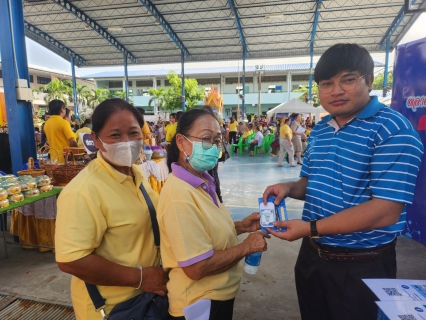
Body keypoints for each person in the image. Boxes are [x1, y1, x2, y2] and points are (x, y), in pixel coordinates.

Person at [263, 43, 424, 320]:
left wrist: (309, 228)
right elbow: (310, 182)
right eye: (327, 83)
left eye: (348, 79)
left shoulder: (392, 130)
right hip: (312, 256)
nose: (336, 91)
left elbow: (385, 210)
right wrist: (289, 188)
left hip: (362, 264)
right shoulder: (322, 130)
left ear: (369, 81)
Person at [55, 98, 168, 319]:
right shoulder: (83, 191)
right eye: (115, 135)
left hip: (147, 299)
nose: (126, 142)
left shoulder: (137, 174)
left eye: (133, 133)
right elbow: (71, 260)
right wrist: (140, 277)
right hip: (112, 308)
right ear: (96, 139)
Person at [159, 109, 268, 319]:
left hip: (216, 296)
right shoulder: (179, 195)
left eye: (217, 140)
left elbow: (202, 231)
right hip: (198, 304)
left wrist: (240, 226)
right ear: (181, 143)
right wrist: (246, 247)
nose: (214, 147)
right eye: (206, 139)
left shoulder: (202, 182)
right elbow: (197, 267)